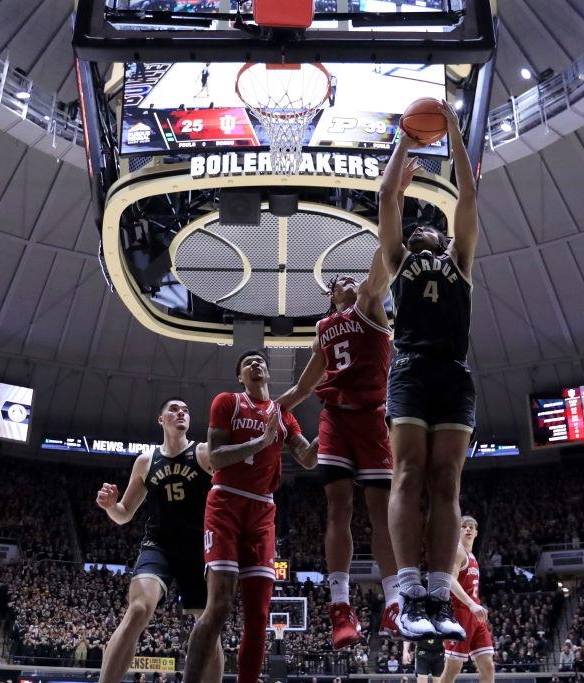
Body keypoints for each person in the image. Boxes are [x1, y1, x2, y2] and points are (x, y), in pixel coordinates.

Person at [279, 198, 421, 646]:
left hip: (375, 419)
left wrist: (393, 199)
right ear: (331, 294)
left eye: (350, 277)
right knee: (337, 508)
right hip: (336, 419)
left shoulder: (371, 305)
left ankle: (392, 604)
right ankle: (340, 607)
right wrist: (269, 409)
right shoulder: (324, 330)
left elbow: (385, 252)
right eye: (339, 280)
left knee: (382, 514)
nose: (348, 281)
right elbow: (301, 390)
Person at [378, 100, 478, 640]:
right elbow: (387, 198)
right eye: (417, 231)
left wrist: (455, 133)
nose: (422, 231)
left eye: (430, 230)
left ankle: (440, 597)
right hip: (412, 368)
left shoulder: (460, 262)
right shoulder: (399, 264)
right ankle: (410, 594)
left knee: (446, 482)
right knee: (409, 474)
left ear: (442, 241)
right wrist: (405, 142)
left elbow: (468, 196)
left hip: (454, 373)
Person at [182, 350, 318, 683]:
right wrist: (262, 441)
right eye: (248, 363)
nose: (256, 364)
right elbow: (215, 457)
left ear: (269, 375)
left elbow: (308, 458)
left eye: (261, 361)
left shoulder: (283, 415)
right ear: (240, 377)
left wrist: (332, 427)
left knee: (259, 616)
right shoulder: (228, 402)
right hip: (226, 503)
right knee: (219, 607)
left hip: (262, 509)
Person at [95, 398, 223, 683]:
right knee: (139, 609)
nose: (182, 413)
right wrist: (110, 506)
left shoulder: (203, 453)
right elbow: (124, 514)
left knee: (207, 628)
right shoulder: (146, 461)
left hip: (200, 550)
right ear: (161, 419)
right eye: (175, 409)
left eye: (187, 410)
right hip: (159, 546)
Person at [441, 516, 494, 683]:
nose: (468, 529)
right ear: (458, 531)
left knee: (487, 666)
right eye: (464, 526)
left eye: (471, 527)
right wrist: (471, 604)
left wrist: (474, 605)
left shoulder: (472, 556)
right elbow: (449, 579)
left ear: (477, 533)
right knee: (453, 667)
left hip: (475, 616)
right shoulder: (457, 551)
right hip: (459, 614)